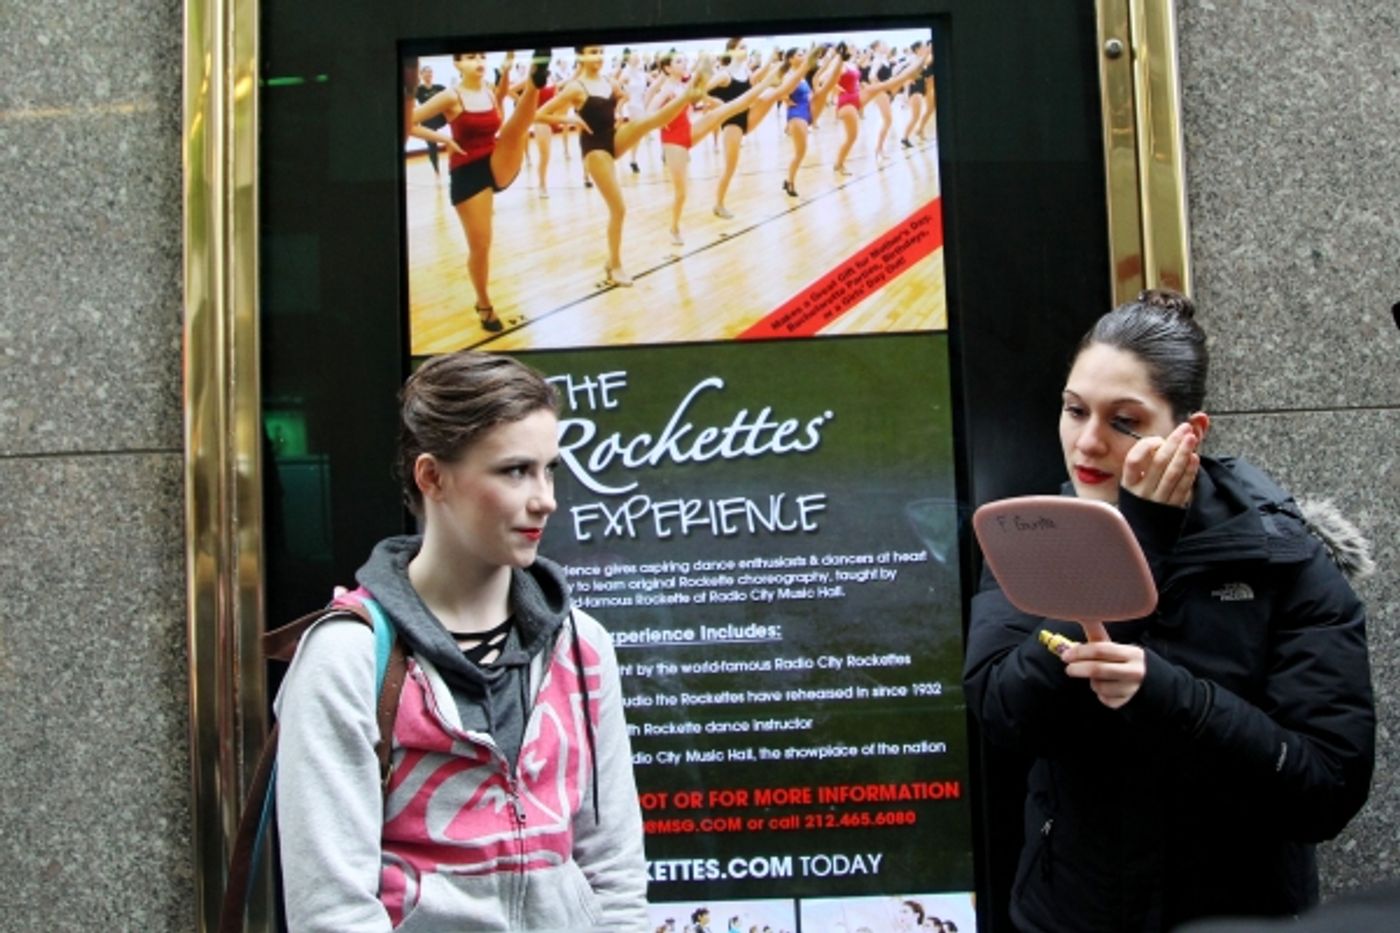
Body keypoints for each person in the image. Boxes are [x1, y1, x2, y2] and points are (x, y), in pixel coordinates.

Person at [962, 289, 1375, 931]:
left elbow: (1324, 792)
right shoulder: (1034, 536)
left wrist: (1168, 693)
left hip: (1238, 913)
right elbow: (1004, 713)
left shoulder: (1283, 559)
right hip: (1074, 912)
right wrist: (1138, 540)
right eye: (1075, 411)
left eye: (1124, 422)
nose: (1088, 443)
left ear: (1190, 433)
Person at [274, 350, 647, 930]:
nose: (545, 497)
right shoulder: (346, 659)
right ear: (432, 476)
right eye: (515, 470)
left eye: (551, 469)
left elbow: (615, 872)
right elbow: (332, 912)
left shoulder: (581, 644)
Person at [536, 44, 709, 286]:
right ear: (581, 56)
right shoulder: (576, 87)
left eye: (600, 51)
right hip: (594, 148)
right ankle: (614, 264)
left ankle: (687, 95)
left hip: (612, 137)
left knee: (646, 122)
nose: (598, 56)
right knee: (619, 209)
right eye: (592, 52)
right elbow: (538, 114)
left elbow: (622, 97)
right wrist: (570, 118)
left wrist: (617, 109)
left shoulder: (610, 81)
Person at [413, 51, 551, 332]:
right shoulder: (450, 96)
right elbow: (408, 122)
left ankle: (534, 84)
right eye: (469, 58)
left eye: (481, 57)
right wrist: (442, 138)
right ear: (456, 64)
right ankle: (483, 302)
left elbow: (500, 120)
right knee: (481, 246)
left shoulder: (488, 91)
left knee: (516, 132)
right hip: (468, 172)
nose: (477, 62)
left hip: (495, 160)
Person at [413, 65, 448, 179]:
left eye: (430, 72)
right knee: (432, 145)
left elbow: (449, 99)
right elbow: (412, 103)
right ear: (421, 75)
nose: (428, 74)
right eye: (426, 72)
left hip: (440, 118)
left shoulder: (439, 87)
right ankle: (437, 170)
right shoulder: (418, 90)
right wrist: (415, 118)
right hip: (428, 120)